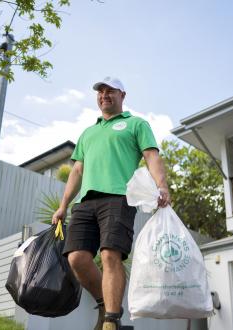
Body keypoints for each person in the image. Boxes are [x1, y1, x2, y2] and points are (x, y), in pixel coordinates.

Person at [52, 76, 170, 330]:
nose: (104, 95)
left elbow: (151, 156)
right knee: (77, 258)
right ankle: (105, 304)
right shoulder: (88, 133)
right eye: (100, 91)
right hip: (85, 202)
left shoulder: (136, 124)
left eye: (110, 91)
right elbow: (77, 171)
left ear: (122, 96)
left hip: (118, 198)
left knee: (109, 254)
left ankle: (112, 321)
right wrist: (63, 205)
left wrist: (161, 185)